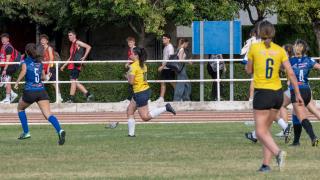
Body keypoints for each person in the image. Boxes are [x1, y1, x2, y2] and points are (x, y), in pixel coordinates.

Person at [246, 20, 303, 172]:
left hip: (263, 92)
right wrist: (297, 93)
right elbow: (290, 73)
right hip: (277, 94)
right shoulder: (280, 50)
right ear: (273, 33)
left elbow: (248, 69)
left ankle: (278, 153)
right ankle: (265, 165)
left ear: (258, 32)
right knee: (266, 130)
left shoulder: (254, 47)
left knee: (259, 131)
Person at [14, 43, 66, 145]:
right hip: (41, 91)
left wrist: (17, 82)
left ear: (26, 52)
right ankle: (60, 130)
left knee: (20, 108)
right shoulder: (39, 62)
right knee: (48, 114)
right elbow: (43, 77)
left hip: (30, 91)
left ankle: (26, 132)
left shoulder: (26, 61)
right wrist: (46, 77)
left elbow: (24, 71)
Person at [126, 47, 176, 137]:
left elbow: (131, 82)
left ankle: (166, 108)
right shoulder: (143, 65)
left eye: (132, 53)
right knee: (130, 111)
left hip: (140, 92)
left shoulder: (133, 66)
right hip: (142, 91)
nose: (130, 55)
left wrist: (127, 75)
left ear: (136, 55)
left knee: (145, 117)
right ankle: (131, 134)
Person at [287, 39, 320, 147]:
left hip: (297, 91)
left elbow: (281, 67)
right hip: (306, 90)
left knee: (302, 117)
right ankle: (296, 142)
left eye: (295, 45)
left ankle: (314, 138)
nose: (294, 46)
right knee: (296, 114)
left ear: (297, 48)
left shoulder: (290, 61)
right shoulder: (309, 60)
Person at [60, 30, 93, 103]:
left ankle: (71, 99)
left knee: (73, 81)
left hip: (76, 66)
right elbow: (71, 57)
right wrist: (64, 65)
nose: (69, 37)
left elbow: (88, 47)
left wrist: (84, 57)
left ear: (75, 36)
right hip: (72, 65)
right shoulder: (72, 44)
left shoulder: (77, 42)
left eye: (71, 35)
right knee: (76, 82)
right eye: (68, 35)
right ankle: (88, 94)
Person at [39, 34, 63, 103]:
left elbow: (51, 58)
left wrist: (49, 68)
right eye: (41, 40)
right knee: (53, 83)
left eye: (44, 40)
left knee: (49, 82)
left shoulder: (49, 48)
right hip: (47, 68)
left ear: (47, 41)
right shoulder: (44, 49)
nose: (42, 41)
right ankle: (59, 97)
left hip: (51, 68)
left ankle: (58, 98)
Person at [241, 26, 261, 101]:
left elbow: (244, 50)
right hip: (256, 62)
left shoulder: (251, 40)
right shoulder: (257, 41)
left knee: (253, 80)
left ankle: (251, 97)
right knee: (257, 80)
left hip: (251, 61)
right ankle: (253, 97)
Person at [155, 34, 175, 102]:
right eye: (163, 38)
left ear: (169, 39)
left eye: (165, 38)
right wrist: (162, 66)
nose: (163, 39)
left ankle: (179, 96)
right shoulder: (165, 47)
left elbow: (170, 59)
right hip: (165, 68)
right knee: (162, 82)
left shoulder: (170, 47)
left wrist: (162, 66)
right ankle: (161, 98)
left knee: (173, 83)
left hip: (169, 68)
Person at [0, 33, 19, 104]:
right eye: (2, 39)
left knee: (7, 81)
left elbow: (8, 59)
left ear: (8, 39)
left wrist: (5, 69)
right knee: (3, 82)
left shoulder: (8, 47)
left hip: (9, 67)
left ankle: (7, 98)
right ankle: (13, 94)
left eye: (4, 39)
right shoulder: (3, 46)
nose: (3, 40)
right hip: (4, 66)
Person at [121, 36, 136, 103]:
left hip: (134, 67)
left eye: (131, 42)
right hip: (131, 67)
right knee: (130, 82)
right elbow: (129, 58)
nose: (129, 43)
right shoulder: (130, 50)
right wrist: (127, 63)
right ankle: (131, 98)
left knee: (131, 82)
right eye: (128, 42)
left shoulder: (135, 49)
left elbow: (134, 58)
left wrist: (128, 63)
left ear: (134, 42)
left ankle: (131, 98)